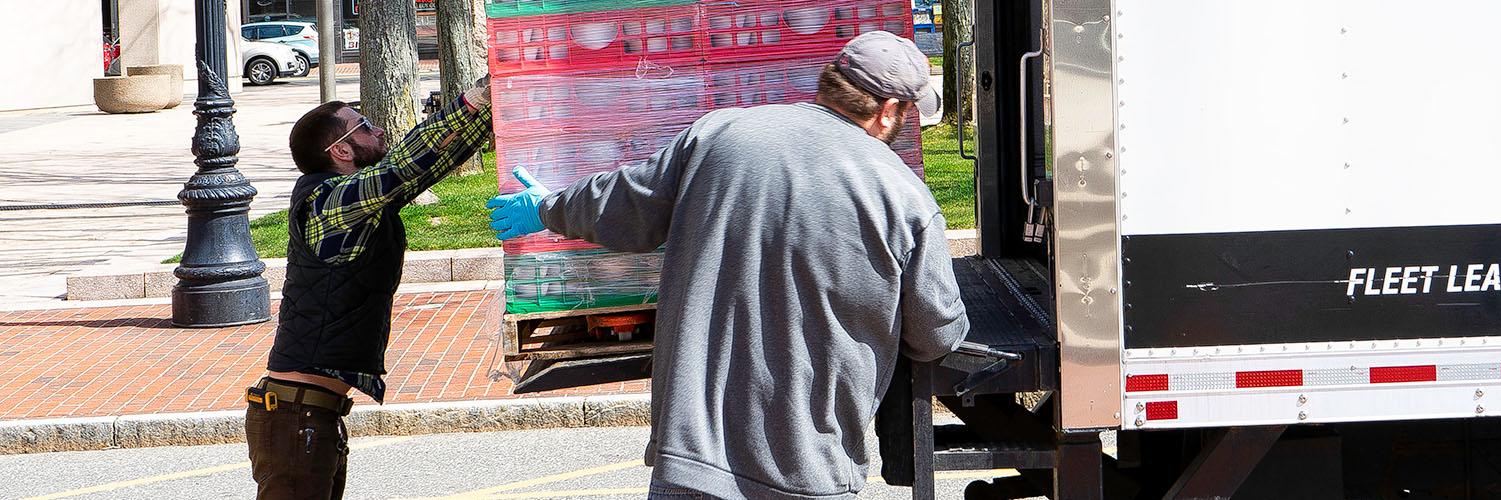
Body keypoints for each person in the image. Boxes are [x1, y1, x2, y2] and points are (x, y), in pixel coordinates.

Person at [486, 32, 967, 499]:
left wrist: (547, 207)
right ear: (887, 112)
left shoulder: (719, 134)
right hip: (808, 465)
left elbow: (620, 204)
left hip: (692, 458)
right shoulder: (904, 198)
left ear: (830, 81)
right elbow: (936, 334)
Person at [246, 83, 493, 499]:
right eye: (363, 127)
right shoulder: (327, 202)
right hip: (295, 417)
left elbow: (428, 164)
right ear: (340, 151)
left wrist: (490, 110)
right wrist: (472, 100)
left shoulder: (364, 204)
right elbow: (402, 166)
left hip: (312, 414)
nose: (378, 130)